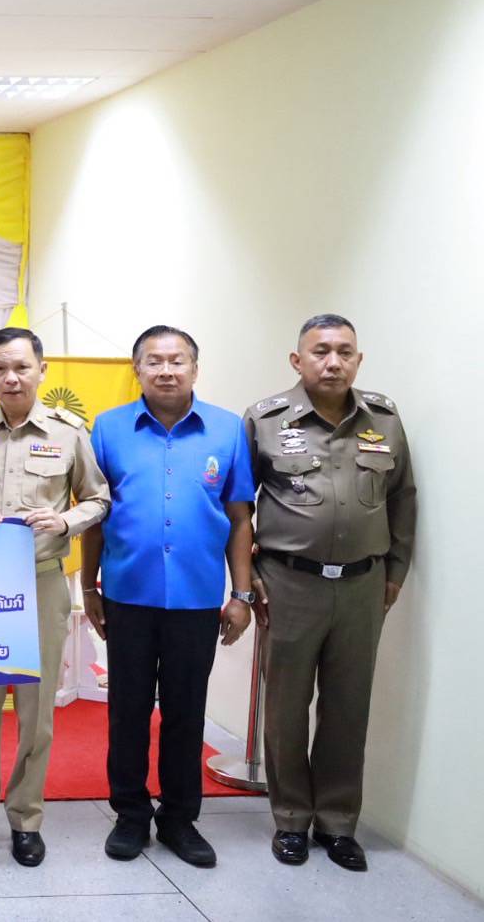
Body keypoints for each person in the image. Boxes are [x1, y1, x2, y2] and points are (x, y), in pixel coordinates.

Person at [0, 326, 109, 867]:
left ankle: (26, 817)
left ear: (41, 370)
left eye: (21, 367)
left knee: (36, 709)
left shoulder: (68, 433)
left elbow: (99, 498)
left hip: (41, 580)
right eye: (0, 368)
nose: (11, 378)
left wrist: (65, 519)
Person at [244, 314, 415, 872]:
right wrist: (247, 579)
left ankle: (338, 823)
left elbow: (402, 498)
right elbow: (239, 507)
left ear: (359, 360)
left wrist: (395, 570)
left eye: (345, 351)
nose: (333, 362)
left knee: (348, 708)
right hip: (288, 583)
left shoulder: (384, 419)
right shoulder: (265, 420)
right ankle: (291, 819)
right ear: (297, 360)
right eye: (320, 351)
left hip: (364, 585)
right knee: (286, 708)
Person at [80, 326, 256, 869]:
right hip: (127, 595)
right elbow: (95, 515)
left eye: (177, 361)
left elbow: (240, 517)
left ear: (195, 368)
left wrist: (242, 594)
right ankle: (130, 814)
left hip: (197, 599)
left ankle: (180, 819)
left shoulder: (226, 430)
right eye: (153, 361)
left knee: (186, 711)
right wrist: (88, 585)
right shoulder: (108, 429)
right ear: (137, 370)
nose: (166, 370)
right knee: (127, 709)